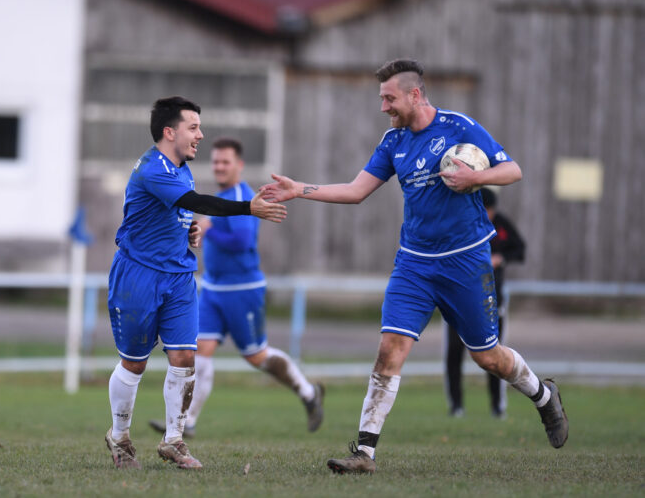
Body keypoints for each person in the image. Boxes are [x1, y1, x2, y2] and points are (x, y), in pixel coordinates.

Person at [261, 59, 568, 474]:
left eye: (389, 98)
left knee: (488, 358)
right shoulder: (393, 142)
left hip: (466, 261)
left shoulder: (459, 127)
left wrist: (475, 180)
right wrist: (300, 190)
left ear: (414, 94)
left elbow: (513, 170)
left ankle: (543, 397)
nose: (384, 107)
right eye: (382, 99)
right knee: (390, 348)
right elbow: (355, 191)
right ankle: (364, 453)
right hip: (414, 266)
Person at [104, 96, 287, 470]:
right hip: (138, 276)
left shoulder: (181, 166)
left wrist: (186, 231)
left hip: (180, 277)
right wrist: (248, 207)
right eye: (193, 127)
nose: (200, 135)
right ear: (169, 132)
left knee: (185, 356)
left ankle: (174, 439)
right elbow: (196, 200)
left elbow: (179, 209)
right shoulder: (152, 169)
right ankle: (119, 437)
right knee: (134, 364)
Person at [148, 137, 324, 438]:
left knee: (257, 356)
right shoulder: (222, 199)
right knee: (197, 350)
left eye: (225, 162)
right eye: (215, 161)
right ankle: (186, 421)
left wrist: (210, 228)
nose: (219, 167)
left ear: (239, 166)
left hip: (243, 290)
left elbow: (242, 242)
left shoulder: (243, 196)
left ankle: (308, 392)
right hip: (213, 289)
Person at [445, 187, 526, 418]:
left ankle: (497, 406)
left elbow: (520, 249)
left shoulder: (500, 225)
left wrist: (501, 258)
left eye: (490, 210)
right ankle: (456, 405)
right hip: (458, 299)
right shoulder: (462, 225)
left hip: (492, 299)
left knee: (494, 354)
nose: (487, 214)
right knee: (453, 352)